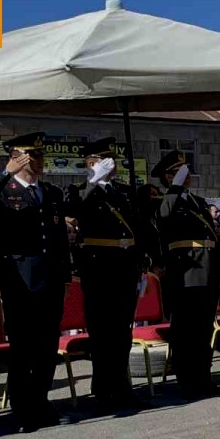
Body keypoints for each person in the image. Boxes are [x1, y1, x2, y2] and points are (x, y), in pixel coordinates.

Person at [0, 132, 71, 433]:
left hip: (50, 279)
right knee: (23, 348)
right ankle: (23, 409)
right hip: (20, 281)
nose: (40, 162)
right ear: (17, 158)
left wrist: (65, 274)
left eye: (41, 156)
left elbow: (57, 240)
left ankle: (41, 401)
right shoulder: (4, 192)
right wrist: (6, 173)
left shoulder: (51, 193)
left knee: (47, 346)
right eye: (33, 156)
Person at [63, 138, 153, 413]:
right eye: (104, 160)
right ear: (91, 163)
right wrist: (93, 183)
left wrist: (141, 260)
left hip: (125, 267)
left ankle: (122, 387)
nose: (111, 165)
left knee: (122, 332)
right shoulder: (78, 191)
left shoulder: (125, 192)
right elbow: (73, 213)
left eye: (111, 160)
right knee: (102, 333)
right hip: (98, 267)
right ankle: (102, 391)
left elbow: (138, 227)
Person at [152, 150, 220, 399]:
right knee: (185, 330)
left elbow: (213, 236)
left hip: (207, 268)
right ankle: (186, 381)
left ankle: (203, 378)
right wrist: (174, 188)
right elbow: (163, 217)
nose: (186, 175)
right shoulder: (165, 200)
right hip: (185, 272)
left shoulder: (198, 202)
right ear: (168, 176)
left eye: (185, 171)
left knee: (203, 329)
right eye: (179, 172)